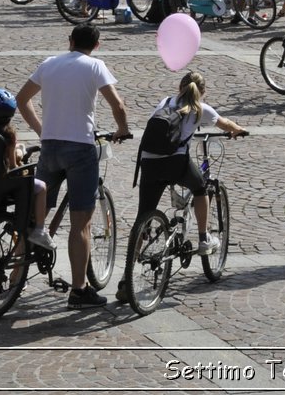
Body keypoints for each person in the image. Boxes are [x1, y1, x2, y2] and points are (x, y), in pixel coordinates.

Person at [15, 24, 131, 308]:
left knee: (34, 214)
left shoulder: (49, 64)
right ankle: (79, 290)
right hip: (80, 148)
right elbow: (118, 105)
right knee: (81, 223)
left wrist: (42, 130)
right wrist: (122, 129)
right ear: (97, 45)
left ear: (70, 42)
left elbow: (21, 99)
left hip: (50, 147)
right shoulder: (94, 66)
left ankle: (15, 279)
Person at [128, 72, 246, 272]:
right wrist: (238, 129)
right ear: (202, 92)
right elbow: (225, 123)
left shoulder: (164, 102)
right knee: (200, 187)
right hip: (175, 162)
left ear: (179, 87)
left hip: (148, 162)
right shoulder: (200, 109)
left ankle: (126, 277)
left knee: (143, 215)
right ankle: (203, 239)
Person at [0, 87, 51, 249]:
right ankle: (40, 230)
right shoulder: (8, 135)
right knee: (41, 187)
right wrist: (19, 155)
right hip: (6, 184)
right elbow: (13, 166)